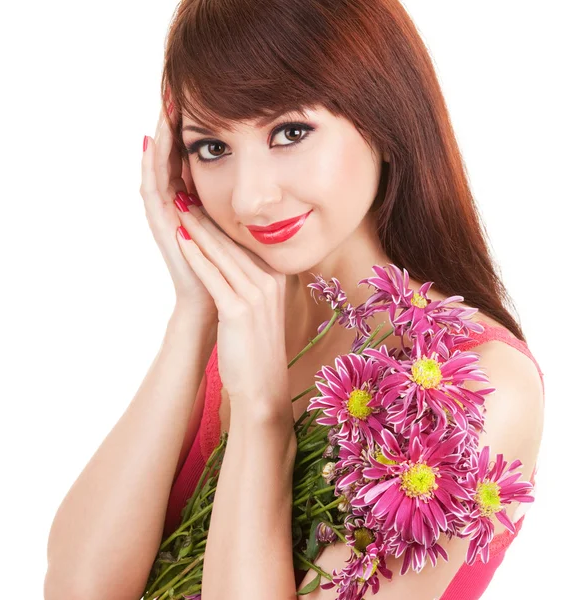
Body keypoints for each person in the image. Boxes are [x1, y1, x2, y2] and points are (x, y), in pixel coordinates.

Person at [44, 1, 544, 599]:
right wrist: (194, 312)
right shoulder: (239, 323)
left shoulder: (480, 385)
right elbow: (76, 589)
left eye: (290, 132)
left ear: (384, 120)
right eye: (211, 148)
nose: (251, 197)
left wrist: (262, 413)